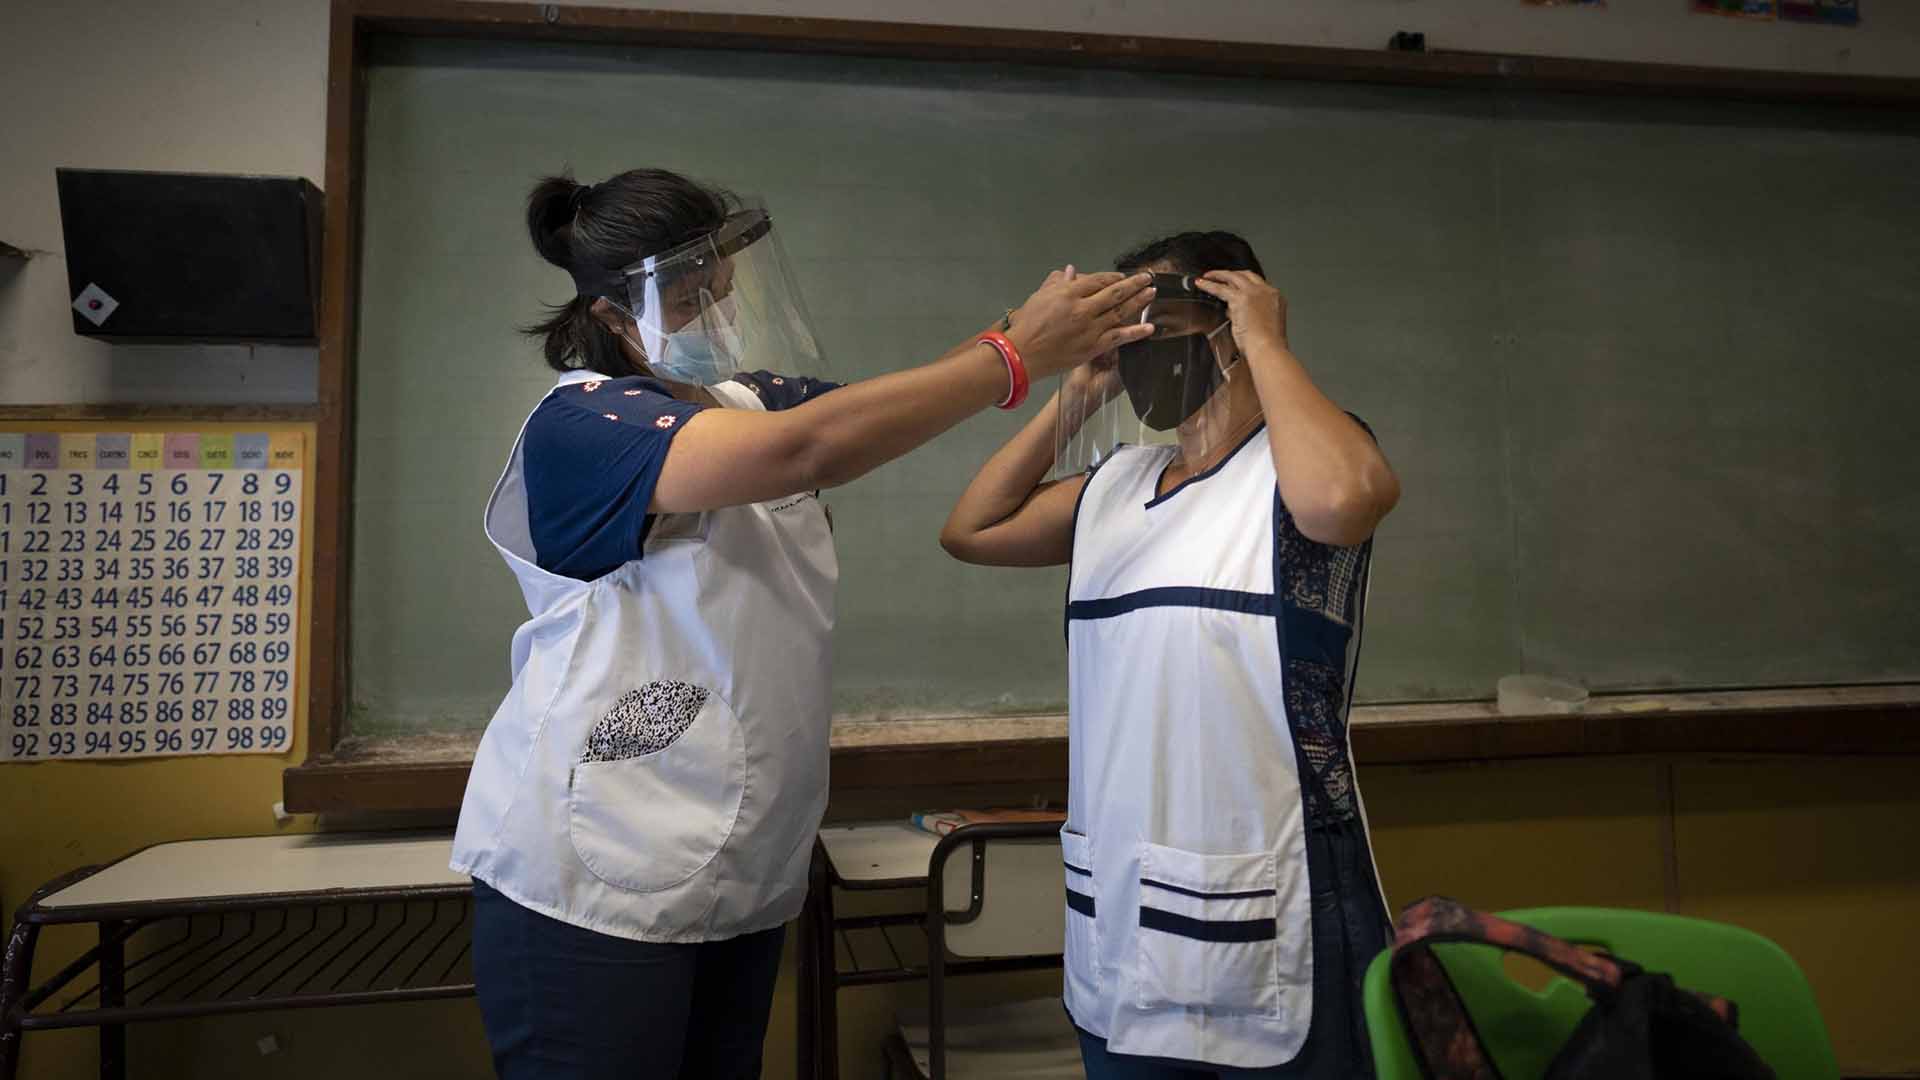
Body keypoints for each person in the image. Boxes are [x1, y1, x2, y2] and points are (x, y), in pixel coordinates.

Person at [450, 167, 1156, 1080]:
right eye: (691, 298)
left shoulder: (751, 400)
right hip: (592, 879)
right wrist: (1014, 352)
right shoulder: (584, 426)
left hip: (734, 866)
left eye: (723, 289)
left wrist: (1069, 371)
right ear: (614, 316)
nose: (719, 315)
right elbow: (810, 448)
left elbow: (874, 415)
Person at [941, 231, 1401, 1077]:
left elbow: (1342, 502)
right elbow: (972, 529)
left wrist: (1266, 343)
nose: (1149, 349)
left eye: (1167, 324)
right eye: (1133, 332)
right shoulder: (1116, 484)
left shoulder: (1297, 466)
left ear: (1230, 317)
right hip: (1121, 899)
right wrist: (1080, 394)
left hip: (1271, 889)